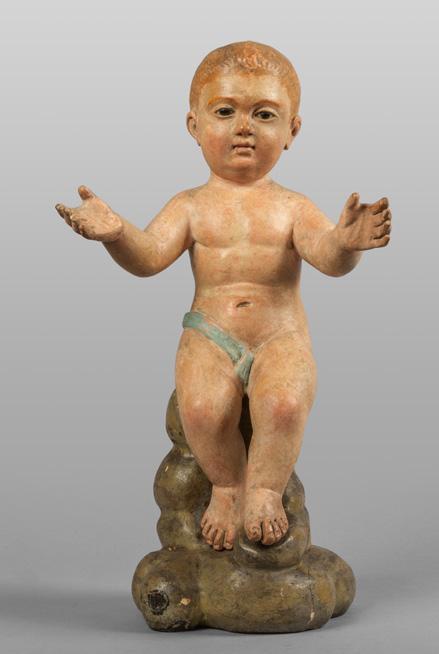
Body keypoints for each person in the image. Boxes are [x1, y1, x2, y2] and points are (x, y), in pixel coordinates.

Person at [55, 41, 392, 552]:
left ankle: (264, 490)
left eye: (264, 114)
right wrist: (117, 233)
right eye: (225, 111)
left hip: (279, 334)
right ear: (194, 125)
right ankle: (228, 485)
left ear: (293, 130)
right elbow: (149, 258)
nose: (244, 127)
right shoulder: (190, 205)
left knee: (284, 403)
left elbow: (327, 258)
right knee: (202, 411)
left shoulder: (292, 207)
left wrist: (347, 244)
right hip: (210, 334)